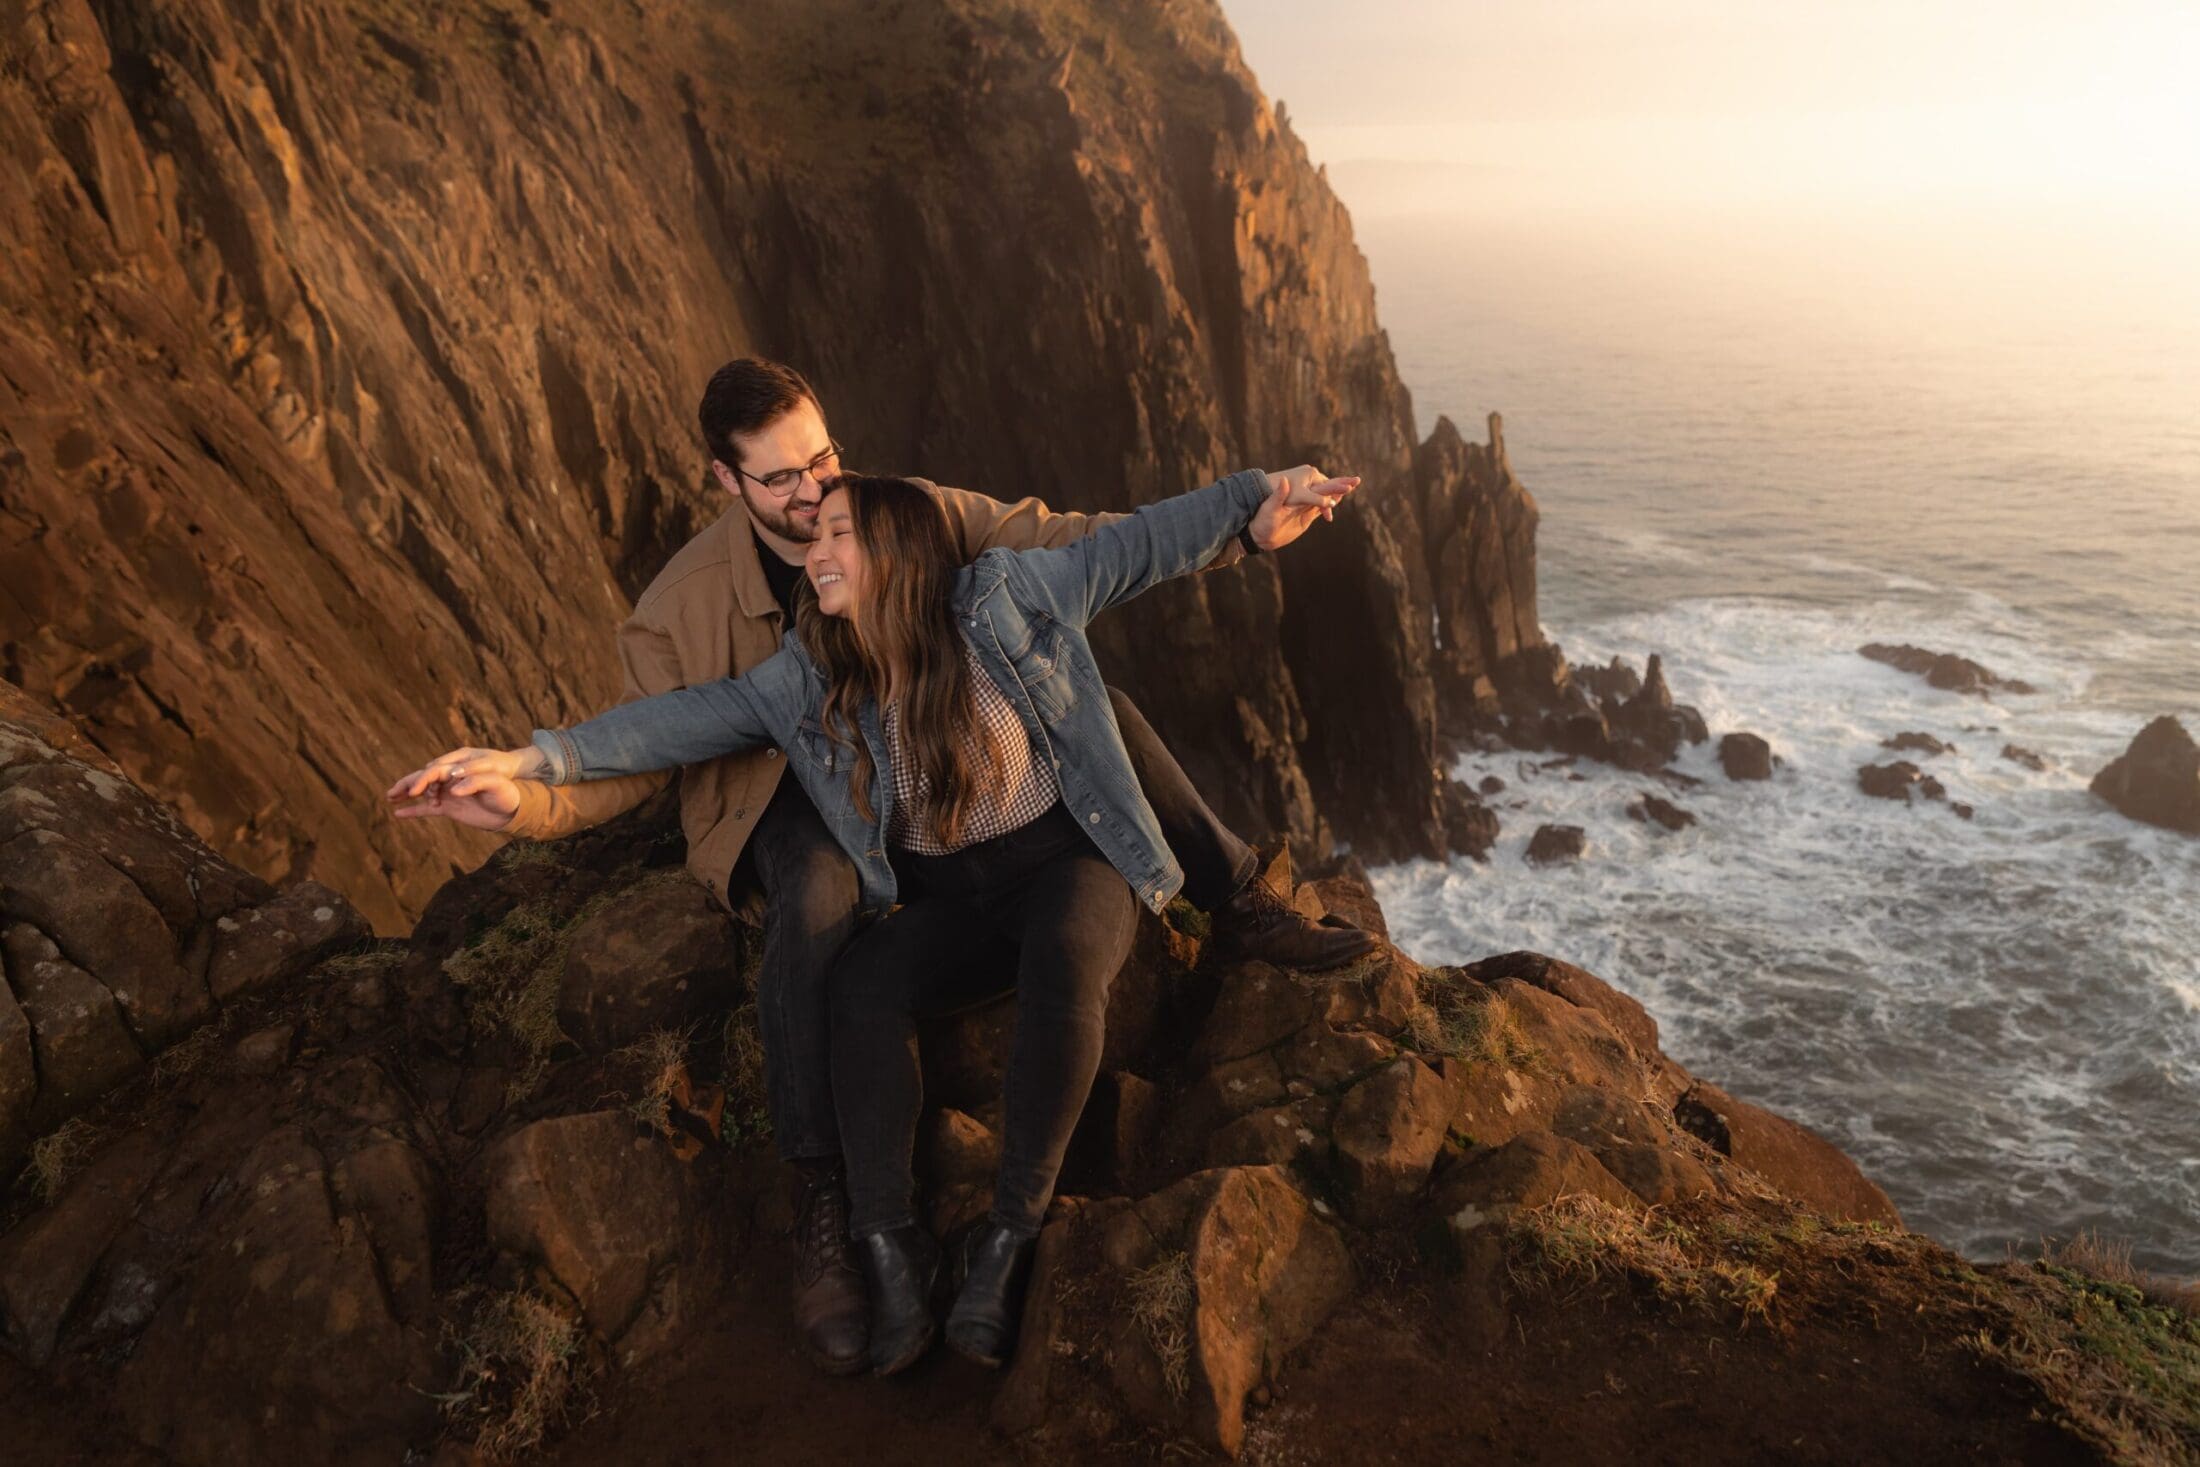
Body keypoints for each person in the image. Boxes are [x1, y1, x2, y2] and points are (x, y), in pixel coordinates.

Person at [384, 359, 1375, 1375]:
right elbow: (668, 727)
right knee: (854, 976)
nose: (815, 507)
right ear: (728, 482)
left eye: (829, 482)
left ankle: (1007, 1238)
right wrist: (527, 767)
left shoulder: (992, 587)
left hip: (1058, 856)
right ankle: (879, 1240)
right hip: (913, 866)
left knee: (1072, 938)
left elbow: (1122, 547)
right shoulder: (797, 665)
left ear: (897, 539)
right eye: (785, 487)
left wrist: (1253, 508)